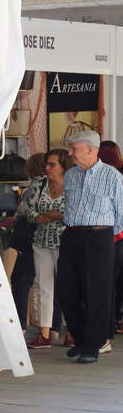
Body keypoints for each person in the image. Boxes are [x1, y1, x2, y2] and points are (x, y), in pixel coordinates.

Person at [57, 130, 123, 364]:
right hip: (71, 236)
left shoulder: (112, 176)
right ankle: (82, 339)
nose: (70, 153)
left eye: (74, 149)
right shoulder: (71, 175)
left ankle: (93, 346)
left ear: (91, 150)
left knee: (97, 293)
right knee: (66, 290)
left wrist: (106, 239)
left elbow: (120, 213)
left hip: (100, 237)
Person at [26, 149, 70, 349]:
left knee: (69, 288)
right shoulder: (40, 183)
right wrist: (36, 217)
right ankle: (44, 333)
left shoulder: (73, 185)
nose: (47, 168)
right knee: (44, 287)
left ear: (64, 167)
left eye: (53, 164)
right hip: (41, 241)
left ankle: (71, 331)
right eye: (47, 164)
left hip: (66, 243)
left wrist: (59, 216)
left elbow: (80, 212)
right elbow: (26, 208)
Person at [9, 154, 47, 332]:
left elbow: (23, 212)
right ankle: (52, 327)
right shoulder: (57, 185)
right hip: (50, 237)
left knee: (21, 280)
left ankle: (21, 324)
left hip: (30, 238)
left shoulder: (34, 187)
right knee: (50, 283)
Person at [98, 140, 123, 342]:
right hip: (117, 235)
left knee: (108, 284)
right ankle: (114, 322)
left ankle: (109, 325)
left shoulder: (107, 177)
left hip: (111, 236)